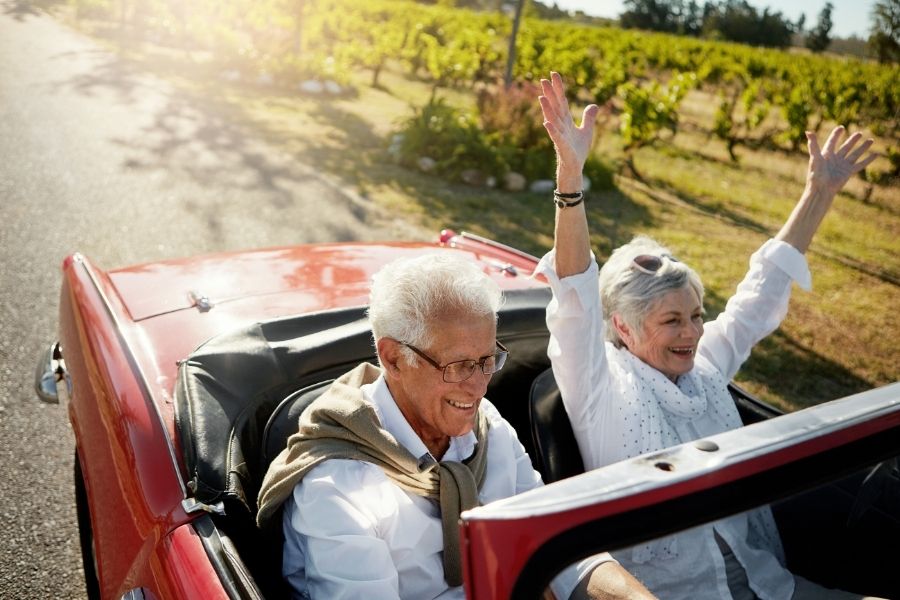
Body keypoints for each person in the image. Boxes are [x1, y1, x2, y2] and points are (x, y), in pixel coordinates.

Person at [534, 71, 884, 600]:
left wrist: (818, 191)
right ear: (623, 327)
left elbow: (758, 294)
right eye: (672, 321)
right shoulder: (599, 388)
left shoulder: (703, 368)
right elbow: (577, 294)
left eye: (696, 316)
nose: (693, 334)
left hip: (769, 583)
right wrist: (569, 173)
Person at [256, 253, 655, 599]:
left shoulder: (488, 427)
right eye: (460, 365)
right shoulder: (336, 486)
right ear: (393, 358)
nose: (480, 386)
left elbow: (554, 541)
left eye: (487, 360)